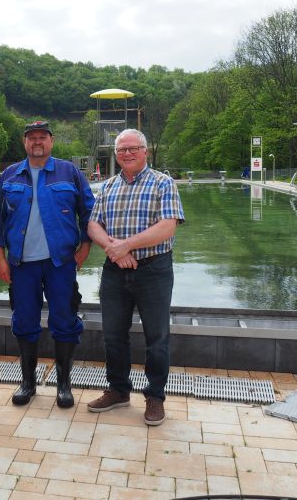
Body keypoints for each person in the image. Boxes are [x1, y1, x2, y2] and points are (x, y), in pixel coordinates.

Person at [0, 121, 95, 408]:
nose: (37, 142)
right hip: (21, 263)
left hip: (60, 262)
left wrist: (85, 245)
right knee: (24, 321)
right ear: (25, 143)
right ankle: (28, 383)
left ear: (51, 141)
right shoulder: (10, 175)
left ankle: (64, 384)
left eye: (42, 137)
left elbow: (88, 210)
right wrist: (0, 257)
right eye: (31, 138)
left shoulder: (69, 172)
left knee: (64, 319)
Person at [86, 128, 184, 425]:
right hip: (115, 271)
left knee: (157, 337)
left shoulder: (163, 183)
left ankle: (155, 396)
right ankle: (118, 390)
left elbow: (167, 227)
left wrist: (126, 245)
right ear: (116, 154)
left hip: (153, 270)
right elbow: (93, 225)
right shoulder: (107, 187)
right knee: (113, 335)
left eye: (132, 148)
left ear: (145, 151)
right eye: (121, 150)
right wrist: (114, 250)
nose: (126, 153)